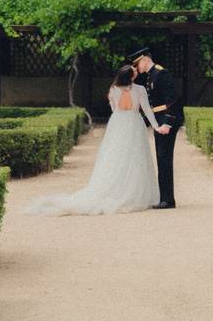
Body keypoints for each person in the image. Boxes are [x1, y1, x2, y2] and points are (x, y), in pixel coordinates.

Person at [25, 65, 163, 215]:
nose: (136, 71)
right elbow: (147, 109)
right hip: (134, 123)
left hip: (117, 123)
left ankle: (118, 188)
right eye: (134, 71)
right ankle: (134, 192)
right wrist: (155, 125)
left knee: (115, 156)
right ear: (131, 76)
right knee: (135, 157)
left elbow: (114, 109)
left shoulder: (113, 89)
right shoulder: (140, 89)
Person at [129, 47, 184, 209]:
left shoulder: (161, 73)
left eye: (138, 64)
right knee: (162, 158)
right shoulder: (151, 75)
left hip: (165, 121)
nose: (137, 68)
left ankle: (168, 200)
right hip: (159, 119)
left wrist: (167, 123)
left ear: (145, 59)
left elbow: (172, 100)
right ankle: (164, 197)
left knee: (164, 159)